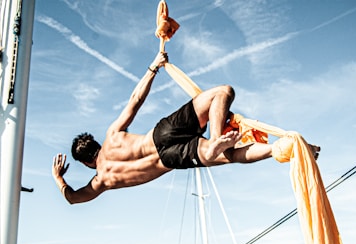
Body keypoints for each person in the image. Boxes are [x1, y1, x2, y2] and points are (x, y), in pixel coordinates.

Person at [52, 52, 320, 204]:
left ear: (87, 163)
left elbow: (73, 198)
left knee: (232, 156)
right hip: (162, 133)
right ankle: (217, 136)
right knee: (222, 92)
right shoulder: (112, 137)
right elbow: (135, 101)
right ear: (96, 146)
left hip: (171, 159)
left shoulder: (101, 181)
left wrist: (59, 178)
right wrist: (153, 67)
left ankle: (280, 148)